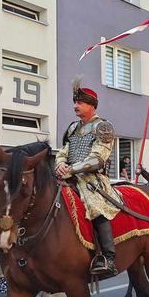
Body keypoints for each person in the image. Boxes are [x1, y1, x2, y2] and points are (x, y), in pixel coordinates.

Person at [55, 77, 119, 277]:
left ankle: (108, 257)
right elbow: (64, 150)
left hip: (91, 180)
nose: (76, 106)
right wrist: (59, 164)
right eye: (75, 102)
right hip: (67, 175)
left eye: (80, 102)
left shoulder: (103, 126)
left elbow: (98, 158)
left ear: (92, 105)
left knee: (95, 205)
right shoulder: (73, 127)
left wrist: (72, 170)